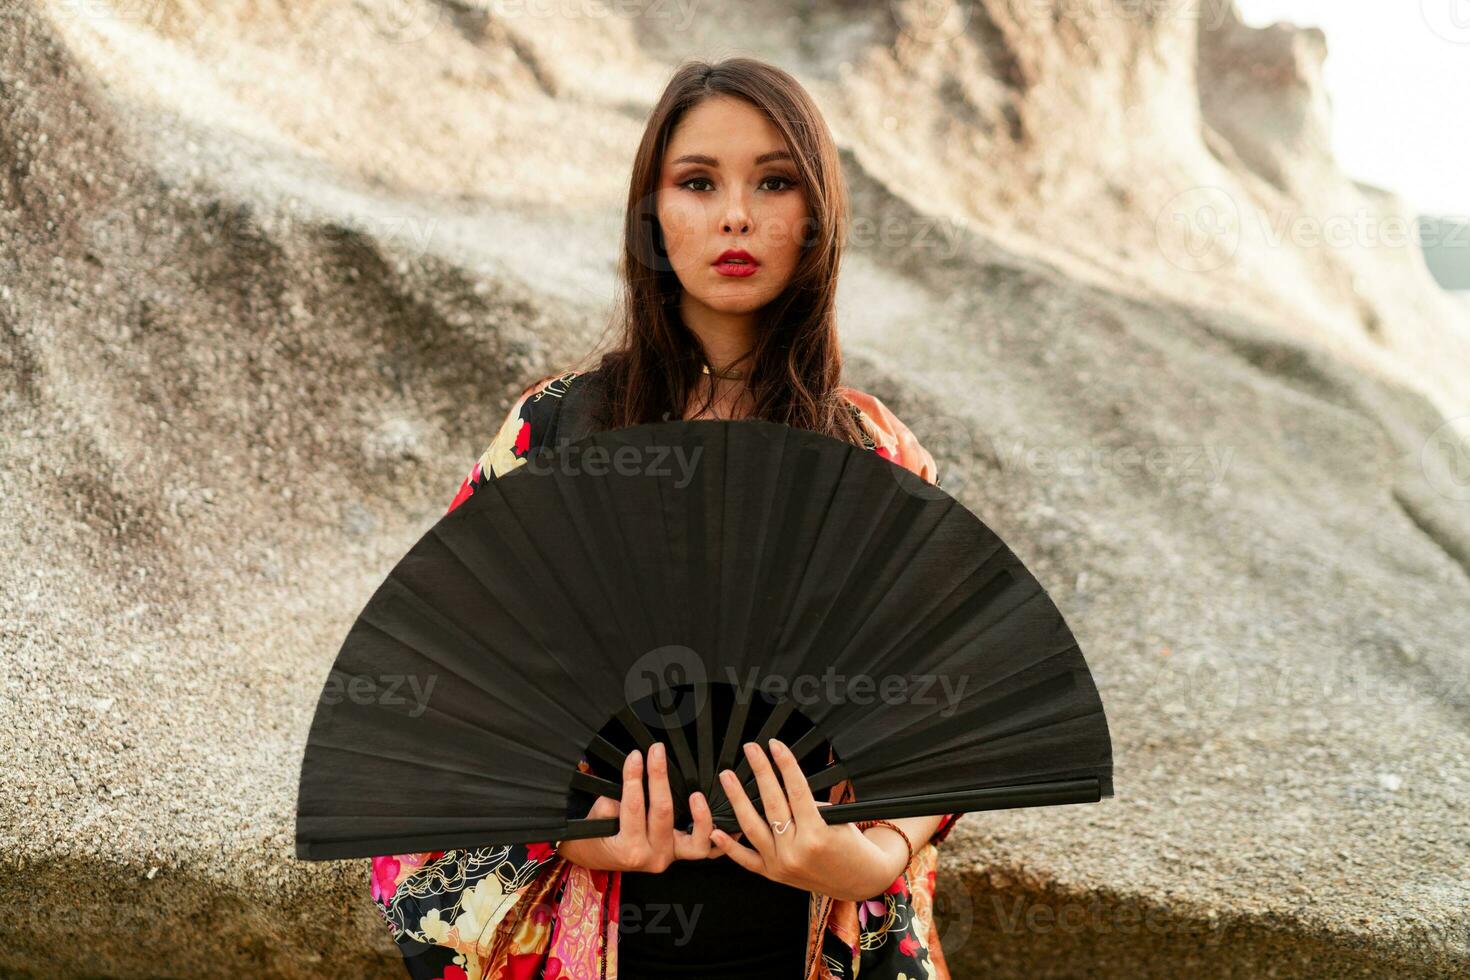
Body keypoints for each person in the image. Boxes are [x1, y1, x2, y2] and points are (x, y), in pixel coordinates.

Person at [369, 56, 962, 980]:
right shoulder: (557, 430)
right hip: (607, 924)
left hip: (807, 922)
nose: (737, 215)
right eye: (697, 182)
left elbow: (952, 703)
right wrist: (569, 828)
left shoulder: (873, 453)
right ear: (653, 217)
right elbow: (438, 689)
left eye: (774, 181)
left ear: (817, 218)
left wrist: (878, 853)